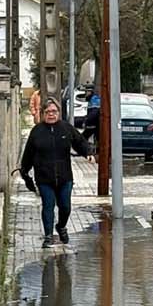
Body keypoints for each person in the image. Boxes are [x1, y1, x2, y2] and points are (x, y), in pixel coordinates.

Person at [21, 97, 94, 247]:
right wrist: (25, 172)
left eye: (54, 111)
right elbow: (28, 154)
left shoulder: (66, 128)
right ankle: (48, 236)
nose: (51, 114)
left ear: (59, 113)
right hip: (44, 177)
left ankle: (61, 226)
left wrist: (88, 152)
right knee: (48, 205)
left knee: (65, 206)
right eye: (48, 112)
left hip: (64, 176)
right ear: (42, 113)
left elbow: (79, 142)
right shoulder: (37, 132)